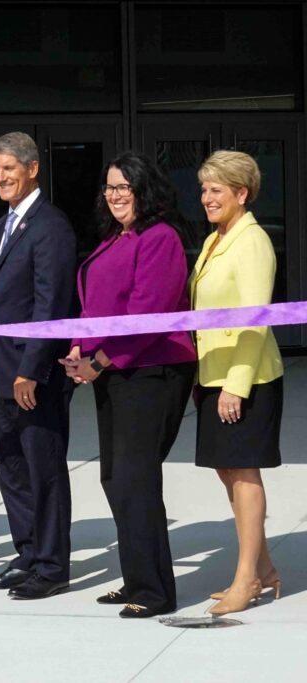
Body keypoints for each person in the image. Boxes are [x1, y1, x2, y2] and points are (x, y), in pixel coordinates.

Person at [61, 151, 196, 618]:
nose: (115, 195)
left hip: (152, 370)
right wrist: (80, 348)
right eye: (110, 187)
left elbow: (148, 313)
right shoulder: (116, 238)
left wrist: (100, 358)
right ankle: (137, 578)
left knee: (136, 478)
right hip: (116, 371)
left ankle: (155, 591)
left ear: (145, 190)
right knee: (116, 476)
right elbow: (94, 308)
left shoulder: (160, 238)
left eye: (124, 187)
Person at [0, 132, 76, 600]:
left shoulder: (50, 226)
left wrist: (30, 370)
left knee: (44, 467)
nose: (0, 178)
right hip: (4, 372)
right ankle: (29, 553)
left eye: (9, 169)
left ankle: (54, 565)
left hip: (34, 374)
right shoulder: (2, 227)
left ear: (32, 169)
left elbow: (50, 304)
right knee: (12, 466)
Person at [191, 150, 284, 616]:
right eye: (205, 189)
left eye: (217, 190)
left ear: (241, 194)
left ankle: (246, 578)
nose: (207, 197)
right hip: (213, 374)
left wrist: (237, 385)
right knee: (228, 471)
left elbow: (255, 321)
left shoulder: (252, 243)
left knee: (244, 473)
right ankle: (264, 568)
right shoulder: (216, 239)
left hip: (245, 377)